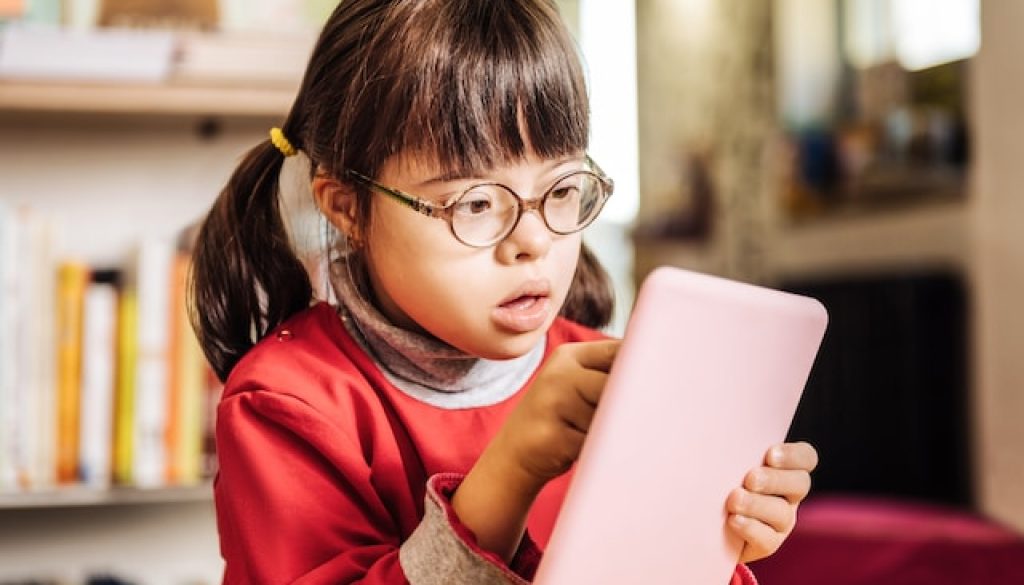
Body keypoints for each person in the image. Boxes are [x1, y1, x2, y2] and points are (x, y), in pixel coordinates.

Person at [188, 1, 819, 583]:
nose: (534, 240)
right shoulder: (284, 404)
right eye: (478, 202)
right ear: (347, 208)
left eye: (562, 190)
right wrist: (511, 472)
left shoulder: (609, 383)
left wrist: (712, 541)